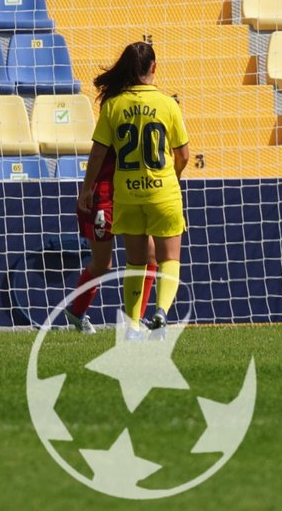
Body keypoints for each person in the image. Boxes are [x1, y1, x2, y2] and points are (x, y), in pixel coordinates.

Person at [77, 41, 190, 333]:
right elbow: (184, 155)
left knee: (136, 261)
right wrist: (173, 176)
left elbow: (98, 152)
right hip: (162, 190)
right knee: (169, 257)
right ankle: (162, 312)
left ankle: (132, 324)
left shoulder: (113, 105)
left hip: (126, 193)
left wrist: (87, 188)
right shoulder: (168, 104)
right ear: (154, 67)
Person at [65, 136, 156, 333]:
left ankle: (137, 318)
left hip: (132, 195)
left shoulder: (144, 113)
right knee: (103, 264)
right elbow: (97, 152)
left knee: (150, 255)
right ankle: (76, 311)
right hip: (103, 199)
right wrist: (87, 189)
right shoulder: (113, 113)